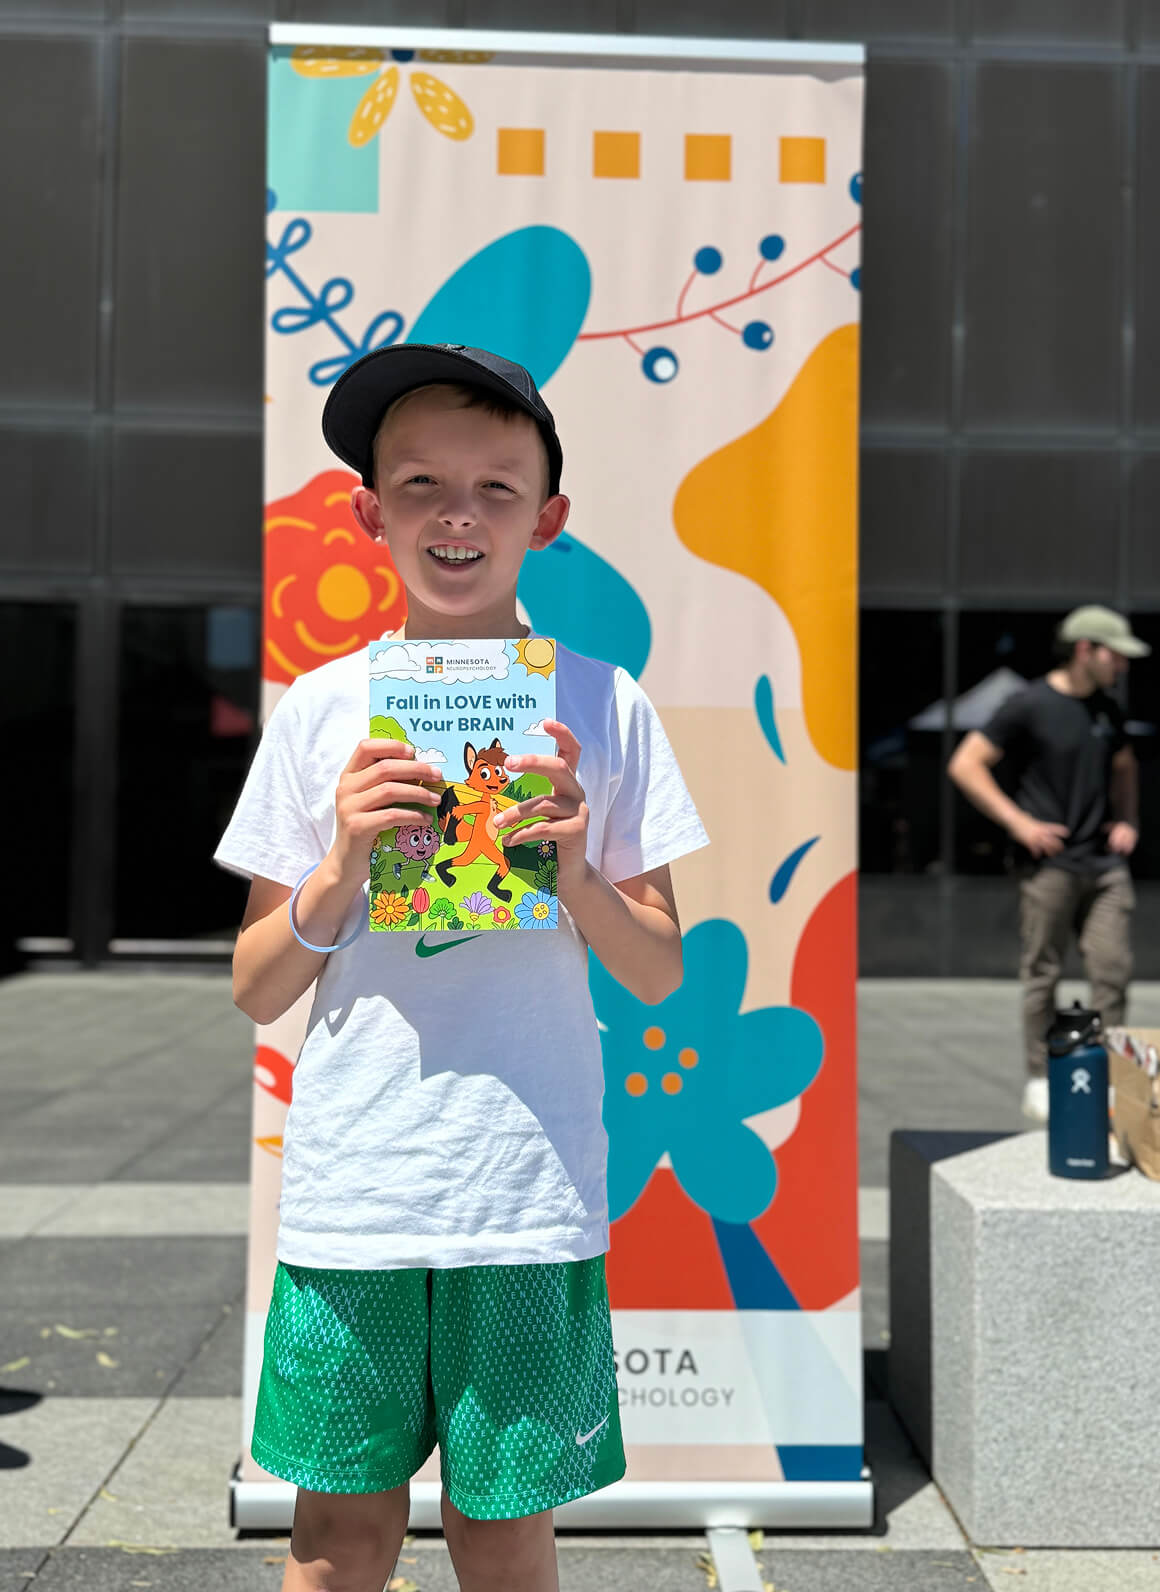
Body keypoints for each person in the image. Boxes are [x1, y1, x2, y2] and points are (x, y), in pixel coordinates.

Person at [215, 344, 708, 1592]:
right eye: (423, 481)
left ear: (547, 518)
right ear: (368, 512)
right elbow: (257, 983)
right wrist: (339, 859)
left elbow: (657, 972)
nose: (458, 513)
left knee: (504, 1536)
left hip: (525, 1193)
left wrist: (577, 866)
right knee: (338, 1539)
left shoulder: (606, 705)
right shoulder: (323, 711)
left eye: (497, 488)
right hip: (357, 1193)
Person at [948, 606, 1148, 1124]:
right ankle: (1040, 1075)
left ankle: (1102, 1077)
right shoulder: (1028, 705)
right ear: (1086, 650)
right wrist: (1019, 824)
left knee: (1112, 973)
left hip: (1104, 866)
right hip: (1051, 866)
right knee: (1043, 974)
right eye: (1116, 655)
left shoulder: (1108, 712)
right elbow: (965, 764)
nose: (1122, 666)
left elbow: (1126, 768)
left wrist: (1127, 818)